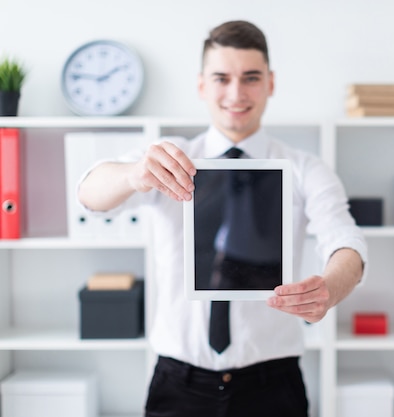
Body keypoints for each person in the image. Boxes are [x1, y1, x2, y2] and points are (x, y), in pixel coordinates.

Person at [77, 20, 367, 417]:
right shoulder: (169, 158)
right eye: (221, 78)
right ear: (201, 86)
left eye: (251, 78)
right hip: (177, 383)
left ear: (270, 83)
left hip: (272, 385)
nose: (236, 93)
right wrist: (133, 174)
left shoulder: (304, 169)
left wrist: (330, 288)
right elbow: (90, 195)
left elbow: (345, 239)